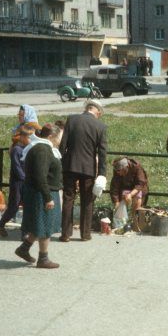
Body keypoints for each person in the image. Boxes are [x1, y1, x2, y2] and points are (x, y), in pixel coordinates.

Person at [15, 124, 64, 269]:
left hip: (41, 191)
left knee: (40, 224)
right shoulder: (42, 150)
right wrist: (48, 197)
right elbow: (40, 176)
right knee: (45, 226)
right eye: (59, 137)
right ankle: (43, 259)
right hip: (42, 193)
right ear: (51, 136)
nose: (60, 141)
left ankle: (23, 248)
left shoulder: (42, 148)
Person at [60, 100, 108, 242]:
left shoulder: (72, 119)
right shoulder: (100, 126)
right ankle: (85, 234)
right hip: (88, 168)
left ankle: (65, 234)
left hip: (70, 165)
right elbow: (103, 152)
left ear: (87, 108)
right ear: (98, 112)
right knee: (87, 201)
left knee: (68, 199)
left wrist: (61, 164)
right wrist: (102, 174)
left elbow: (63, 145)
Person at [0, 125, 36, 237]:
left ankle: (25, 231)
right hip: (18, 183)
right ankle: (0, 224)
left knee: (28, 206)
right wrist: (25, 178)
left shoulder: (29, 149)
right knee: (14, 205)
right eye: (29, 137)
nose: (31, 140)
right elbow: (17, 167)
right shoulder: (17, 150)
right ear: (22, 137)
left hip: (26, 182)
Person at [109, 157, 149, 223]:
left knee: (137, 200)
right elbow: (114, 187)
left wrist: (130, 194)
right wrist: (116, 202)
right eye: (117, 171)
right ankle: (122, 222)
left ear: (126, 167)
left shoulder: (136, 167)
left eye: (119, 171)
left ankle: (134, 221)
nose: (118, 173)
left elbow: (140, 184)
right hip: (125, 188)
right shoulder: (117, 171)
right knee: (121, 201)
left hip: (137, 189)